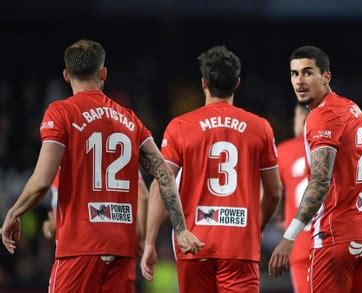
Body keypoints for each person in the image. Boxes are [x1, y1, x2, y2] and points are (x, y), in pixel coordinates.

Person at [1, 39, 203, 292]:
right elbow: (164, 173)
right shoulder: (130, 119)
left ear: (66, 75)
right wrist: (180, 228)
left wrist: (14, 212)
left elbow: (42, 180)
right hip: (121, 251)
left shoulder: (61, 112)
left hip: (80, 249)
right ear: (103, 73)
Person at [141, 45, 282, 293]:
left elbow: (161, 183)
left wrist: (150, 242)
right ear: (237, 83)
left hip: (194, 242)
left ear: (203, 83)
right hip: (240, 245)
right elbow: (274, 192)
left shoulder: (180, 127)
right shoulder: (260, 128)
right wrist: (255, 228)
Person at [269, 45, 362, 292]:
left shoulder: (321, 116)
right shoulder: (353, 109)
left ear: (326, 77)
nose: (299, 81)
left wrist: (288, 237)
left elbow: (320, 181)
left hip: (337, 236)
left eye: (307, 72)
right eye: (294, 74)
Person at [41, 169, 150, 291]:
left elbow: (57, 221)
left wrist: (48, 228)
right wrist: (141, 239)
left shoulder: (68, 163)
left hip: (82, 260)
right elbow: (143, 196)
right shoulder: (122, 155)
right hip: (122, 261)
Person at [276, 104, 311, 292]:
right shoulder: (335, 147)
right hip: (332, 242)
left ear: (303, 119)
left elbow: (272, 193)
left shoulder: (283, 151)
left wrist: (281, 216)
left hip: (300, 245)